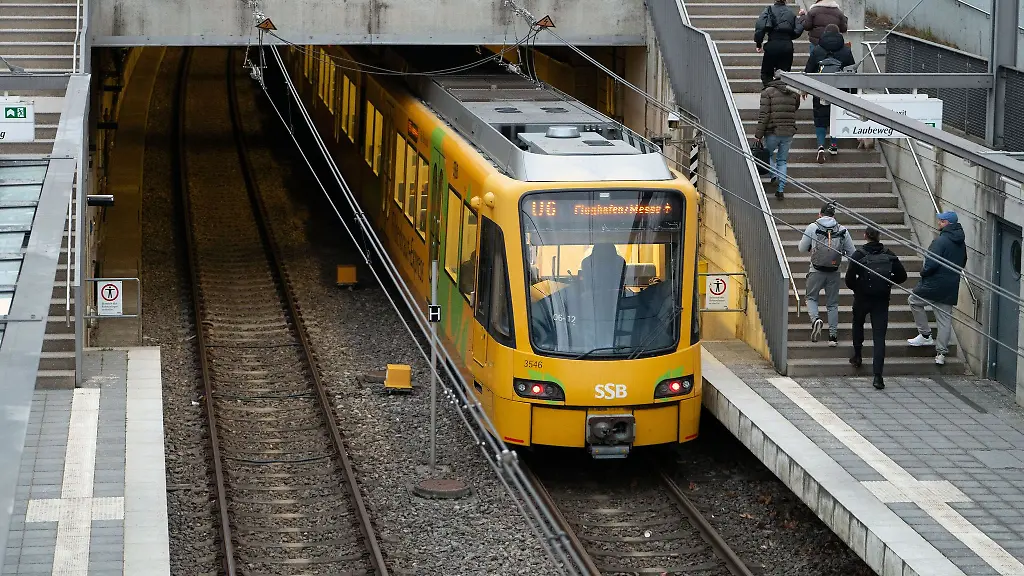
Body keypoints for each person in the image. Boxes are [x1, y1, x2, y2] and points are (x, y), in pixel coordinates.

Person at [845, 226, 907, 390]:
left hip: (862, 298)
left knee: (858, 324)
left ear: (865, 236)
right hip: (881, 300)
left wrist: (859, 288)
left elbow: (849, 279)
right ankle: (878, 376)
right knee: (879, 337)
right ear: (878, 237)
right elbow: (902, 276)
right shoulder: (889, 255)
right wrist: (887, 281)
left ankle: (857, 355)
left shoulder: (859, 255)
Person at [907, 211, 968, 365]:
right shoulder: (961, 242)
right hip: (951, 285)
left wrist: (923, 272)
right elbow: (963, 261)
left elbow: (931, 264)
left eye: (941, 221)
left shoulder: (940, 241)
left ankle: (925, 335)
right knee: (944, 319)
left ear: (947, 223)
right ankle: (941, 354)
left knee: (913, 301)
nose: (938, 223)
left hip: (933, 284)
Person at [798, 203, 856, 346]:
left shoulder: (813, 227)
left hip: (816, 270)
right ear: (834, 216)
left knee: (811, 297)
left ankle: (816, 319)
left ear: (820, 214)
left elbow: (801, 248)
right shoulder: (842, 230)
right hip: (834, 271)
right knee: (832, 304)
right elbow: (852, 253)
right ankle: (833, 337)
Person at [803, 24, 855, 162]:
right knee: (835, 116)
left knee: (820, 118)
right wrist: (853, 93)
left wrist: (805, 89)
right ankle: (833, 144)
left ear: (824, 34)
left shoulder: (817, 50)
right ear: (839, 35)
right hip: (840, 91)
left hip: (820, 89)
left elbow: (808, 71)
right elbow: (853, 74)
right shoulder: (846, 51)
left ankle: (820, 145)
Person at [754, 76, 801, 199]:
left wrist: (758, 135)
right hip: (789, 131)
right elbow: (795, 107)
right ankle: (780, 189)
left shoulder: (767, 92)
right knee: (782, 160)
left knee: (767, 154)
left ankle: (773, 173)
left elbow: (764, 115)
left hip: (772, 131)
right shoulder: (794, 92)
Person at [754, 0, 805, 88]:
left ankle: (769, 92)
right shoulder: (790, 12)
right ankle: (781, 92)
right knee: (784, 74)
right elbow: (798, 29)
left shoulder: (769, 10)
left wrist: (759, 43)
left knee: (766, 74)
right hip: (787, 46)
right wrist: (790, 36)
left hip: (772, 45)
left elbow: (760, 27)